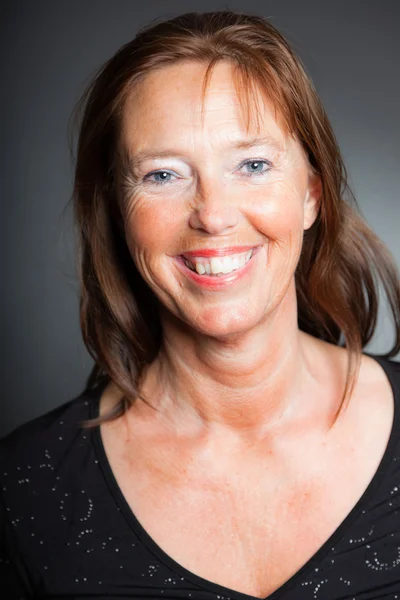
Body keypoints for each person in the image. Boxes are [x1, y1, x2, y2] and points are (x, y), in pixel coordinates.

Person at [1, 9, 400, 600]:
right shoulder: (24, 489)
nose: (212, 214)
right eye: (163, 175)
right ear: (117, 211)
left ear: (311, 196)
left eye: (254, 165)